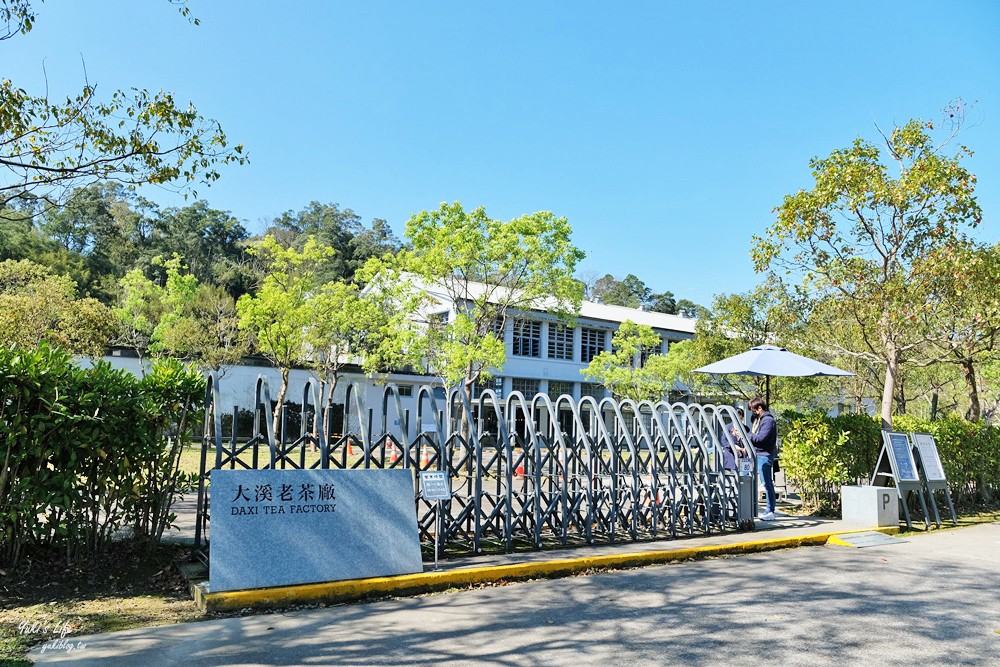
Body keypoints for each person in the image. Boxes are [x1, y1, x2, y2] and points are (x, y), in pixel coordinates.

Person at [747, 396, 778, 521]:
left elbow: (760, 438)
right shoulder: (758, 420)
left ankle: (770, 510)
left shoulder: (768, 421)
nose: (753, 413)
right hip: (755, 453)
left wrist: (747, 435)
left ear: (760, 408)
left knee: (766, 483)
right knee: (748, 479)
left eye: (754, 410)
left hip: (764, 454)